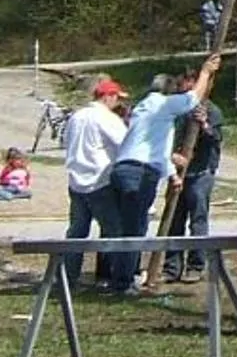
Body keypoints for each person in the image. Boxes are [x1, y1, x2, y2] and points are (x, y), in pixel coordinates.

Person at [104, 57, 223, 293]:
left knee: (125, 228)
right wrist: (206, 73)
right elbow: (192, 98)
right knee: (135, 229)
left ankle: (119, 276)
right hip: (139, 173)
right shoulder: (163, 105)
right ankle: (123, 282)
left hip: (122, 169)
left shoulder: (143, 107)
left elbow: (157, 149)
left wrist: (172, 175)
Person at [61, 76, 129, 289]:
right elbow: (125, 143)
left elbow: (66, 142)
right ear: (108, 96)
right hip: (99, 180)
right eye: (117, 98)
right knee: (113, 230)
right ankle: (111, 277)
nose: (118, 103)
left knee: (77, 232)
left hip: (76, 180)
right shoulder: (106, 118)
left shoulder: (76, 117)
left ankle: (68, 276)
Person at [163, 87, 223, 281]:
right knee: (174, 220)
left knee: (198, 220)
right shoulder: (178, 110)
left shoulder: (212, 110)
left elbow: (216, 138)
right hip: (178, 172)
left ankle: (195, 266)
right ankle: (171, 268)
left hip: (201, 172)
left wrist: (204, 124)